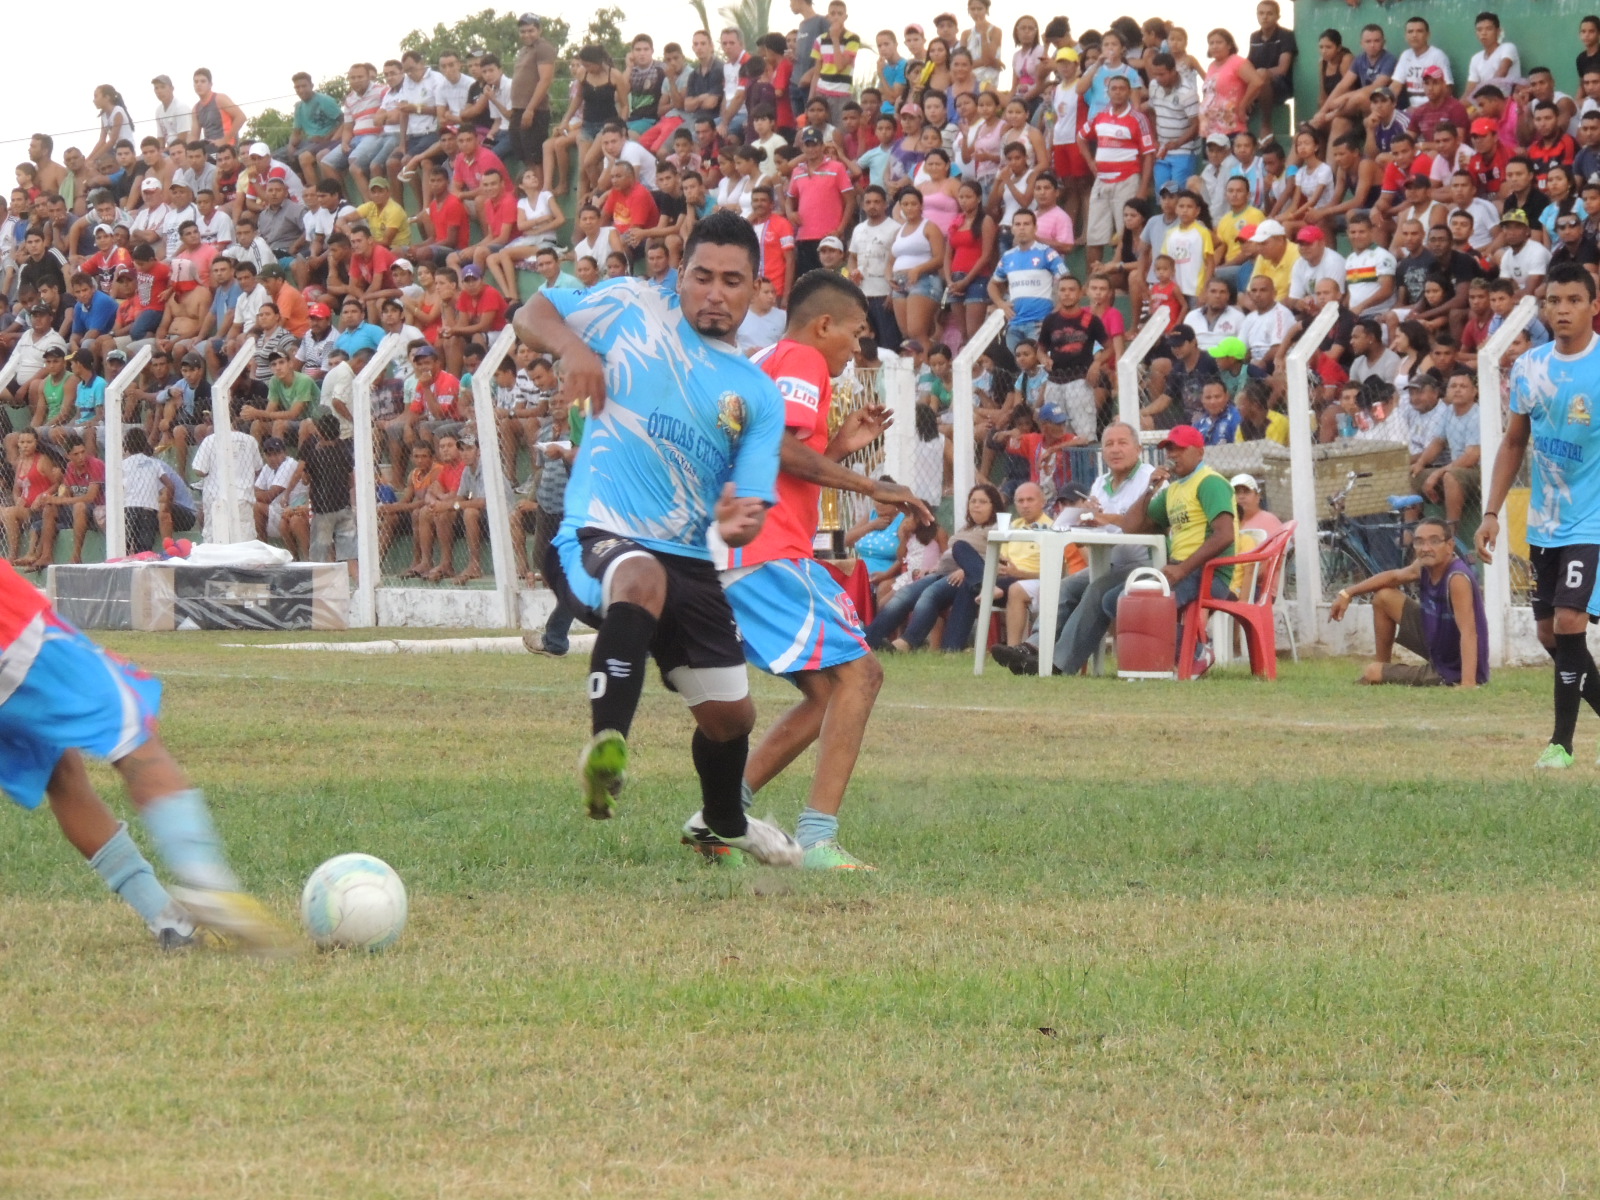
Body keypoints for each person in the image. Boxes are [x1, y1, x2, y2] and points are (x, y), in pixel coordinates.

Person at [510, 210, 800, 865]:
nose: (715, 293)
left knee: (733, 721)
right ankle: (605, 751)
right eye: (702, 276)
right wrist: (575, 348)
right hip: (599, 531)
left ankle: (725, 821)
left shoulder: (755, 393)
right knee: (641, 579)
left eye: (732, 280)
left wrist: (737, 520)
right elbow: (532, 311)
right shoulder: (632, 304)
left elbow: (748, 502)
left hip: (691, 561)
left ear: (756, 287)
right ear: (681, 271)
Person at [712, 270, 930, 869]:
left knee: (823, 693)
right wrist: (871, 484)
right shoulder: (803, 359)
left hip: (742, 551)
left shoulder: (768, 359)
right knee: (862, 677)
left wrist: (836, 450)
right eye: (858, 335)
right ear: (825, 324)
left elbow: (774, 454)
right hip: (766, 551)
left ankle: (720, 820)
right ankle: (817, 840)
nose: (859, 350)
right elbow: (780, 448)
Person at [0, 556, 289, 951]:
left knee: (58, 770)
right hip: (12, 626)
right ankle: (206, 881)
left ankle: (169, 920)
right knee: (132, 734)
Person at [1478, 263, 1600, 768]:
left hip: (1592, 523)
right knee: (1551, 635)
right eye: (1555, 300)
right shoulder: (1529, 366)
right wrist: (1490, 512)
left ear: (1593, 305)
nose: (1564, 309)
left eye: (1574, 299)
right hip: (1545, 523)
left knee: (1571, 620)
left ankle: (1561, 745)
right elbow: (1513, 442)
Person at [1331, 516, 1487, 689]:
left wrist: (1467, 683)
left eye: (1434, 541)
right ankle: (1383, 668)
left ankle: (1380, 673)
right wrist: (1348, 592)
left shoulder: (1456, 578)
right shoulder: (1424, 566)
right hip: (1437, 641)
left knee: (1372, 672)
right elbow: (1394, 576)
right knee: (1384, 598)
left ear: (1449, 546)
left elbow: (1469, 632)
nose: (1426, 548)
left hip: (1451, 669)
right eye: (1419, 542)